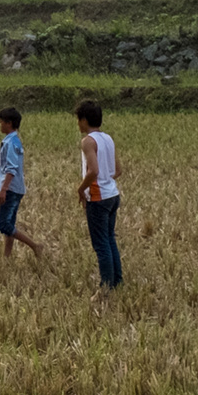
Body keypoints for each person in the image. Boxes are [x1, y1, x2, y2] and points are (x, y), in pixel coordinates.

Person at [73, 98, 122, 291]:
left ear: (84, 120)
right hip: (112, 194)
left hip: (98, 197)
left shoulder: (88, 141)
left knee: (101, 244)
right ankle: (117, 281)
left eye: (78, 120)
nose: (78, 124)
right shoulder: (107, 138)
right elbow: (118, 170)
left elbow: (93, 171)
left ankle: (106, 287)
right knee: (109, 239)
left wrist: (81, 189)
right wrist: (106, 181)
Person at [0, 107, 43, 259]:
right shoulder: (14, 141)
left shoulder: (10, 143)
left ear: (9, 123)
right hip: (17, 188)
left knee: (3, 225)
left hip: (11, 189)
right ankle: (6, 258)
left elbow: (11, 168)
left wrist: (3, 189)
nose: (0, 125)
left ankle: (35, 245)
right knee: (10, 224)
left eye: (1, 122)